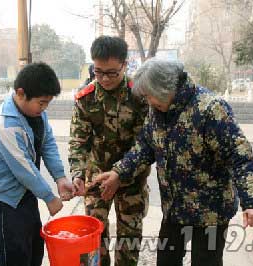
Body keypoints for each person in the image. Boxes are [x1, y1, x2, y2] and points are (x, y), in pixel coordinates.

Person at [95, 58, 253, 266]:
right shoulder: (158, 111)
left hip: (210, 213)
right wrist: (118, 173)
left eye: (150, 96)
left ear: (165, 89)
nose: (149, 102)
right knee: (166, 260)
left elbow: (239, 155)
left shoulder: (210, 109)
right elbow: (144, 147)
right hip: (175, 209)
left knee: (206, 262)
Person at [0, 62, 74, 266]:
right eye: (41, 102)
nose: (44, 108)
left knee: (34, 247)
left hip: (24, 191)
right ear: (21, 93)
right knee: (13, 254)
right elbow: (24, 169)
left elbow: (48, 144)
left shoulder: (37, 114)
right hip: (1, 197)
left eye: (48, 103)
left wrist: (60, 177)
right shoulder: (3, 125)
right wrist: (49, 197)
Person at [69, 36, 150, 266]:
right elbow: (78, 141)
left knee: (129, 241)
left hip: (131, 179)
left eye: (112, 72)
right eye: (98, 71)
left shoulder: (140, 97)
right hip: (95, 178)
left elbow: (145, 144)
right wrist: (77, 174)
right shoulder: (86, 98)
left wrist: (120, 174)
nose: (104, 78)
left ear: (125, 65)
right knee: (94, 241)